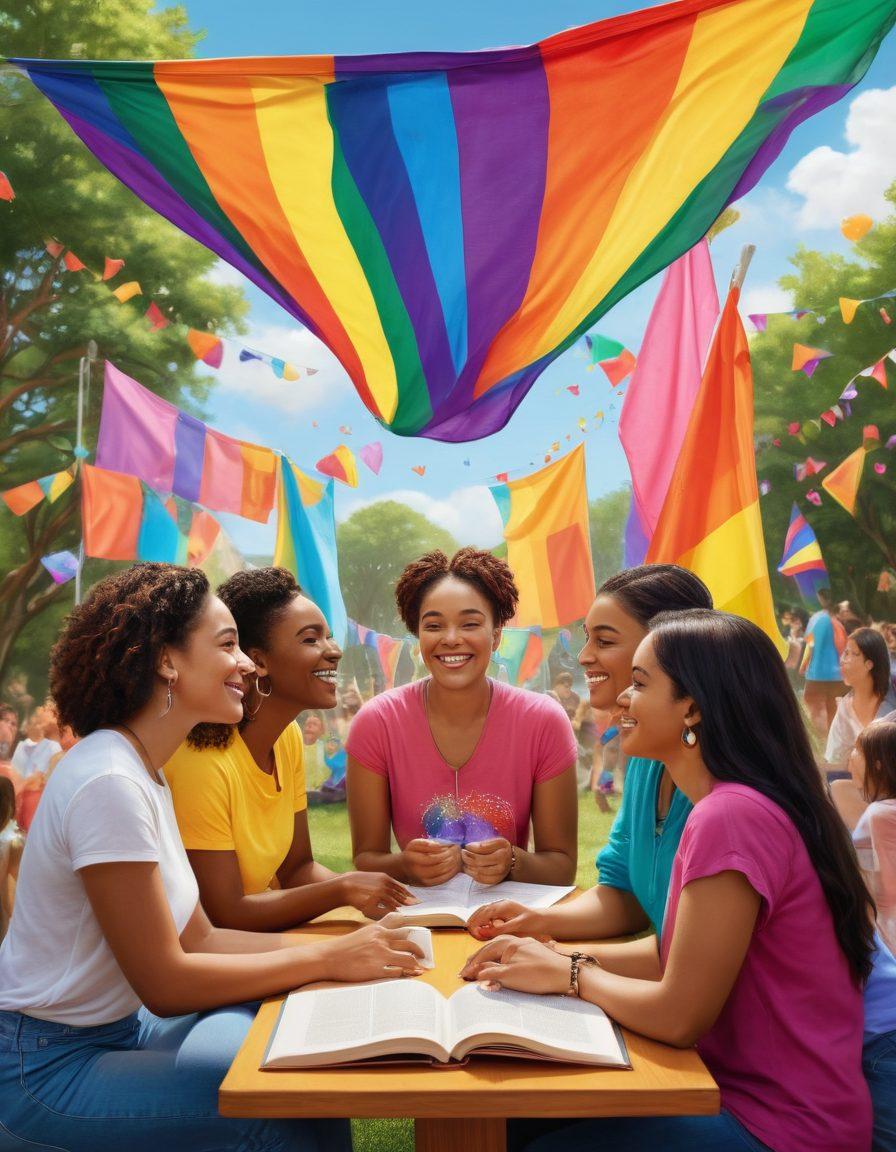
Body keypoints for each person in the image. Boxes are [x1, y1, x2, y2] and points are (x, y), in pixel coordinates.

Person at [0, 562, 424, 1152]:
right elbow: (167, 983)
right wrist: (329, 957)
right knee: (273, 1114)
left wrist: (350, 949)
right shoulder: (108, 781)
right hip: (41, 1068)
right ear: (167, 661)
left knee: (301, 1074)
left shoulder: (144, 771)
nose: (247, 664)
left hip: (121, 1033)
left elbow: (200, 940)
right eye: (227, 645)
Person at [464, 610, 874, 1152]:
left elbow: (679, 1016)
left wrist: (569, 972)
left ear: (694, 707)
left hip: (776, 1126)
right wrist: (543, 951)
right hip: (732, 1095)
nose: (622, 700)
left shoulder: (729, 816)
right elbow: (676, 955)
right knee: (517, 1115)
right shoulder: (732, 804)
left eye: (639, 683)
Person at [469, 563, 712, 944]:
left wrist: (567, 967)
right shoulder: (651, 759)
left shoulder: (726, 792)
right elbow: (624, 893)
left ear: (669, 649)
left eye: (604, 640)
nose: (583, 656)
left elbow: (694, 968)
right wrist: (533, 921)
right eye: (586, 639)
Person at [166, 567, 414, 930]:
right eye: (311, 639)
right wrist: (343, 889)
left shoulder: (287, 739)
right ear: (258, 661)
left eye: (328, 637)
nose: (334, 651)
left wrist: (397, 904)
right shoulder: (201, 761)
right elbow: (224, 913)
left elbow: (297, 869)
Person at [347, 548, 578, 886]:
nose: (451, 639)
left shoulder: (543, 721)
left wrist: (512, 861)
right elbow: (366, 860)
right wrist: (405, 865)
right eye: (434, 625)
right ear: (418, 636)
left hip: (512, 925)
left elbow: (561, 867)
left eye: (470, 624)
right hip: (418, 926)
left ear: (496, 635)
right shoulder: (377, 722)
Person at [831, 720, 896, 1151]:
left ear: (876, 763)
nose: (849, 758)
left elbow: (867, 886)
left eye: (857, 750)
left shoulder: (877, 815)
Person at [825, 627, 896, 775]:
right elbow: (834, 758)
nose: (842, 660)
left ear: (869, 664)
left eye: (850, 653)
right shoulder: (845, 708)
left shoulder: (890, 706)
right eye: (845, 653)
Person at [801, 588, 847, 734]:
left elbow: (811, 644)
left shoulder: (817, 619)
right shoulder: (838, 623)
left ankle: (820, 736)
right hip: (836, 674)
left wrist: (804, 664)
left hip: (818, 672)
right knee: (831, 704)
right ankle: (832, 737)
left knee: (812, 702)